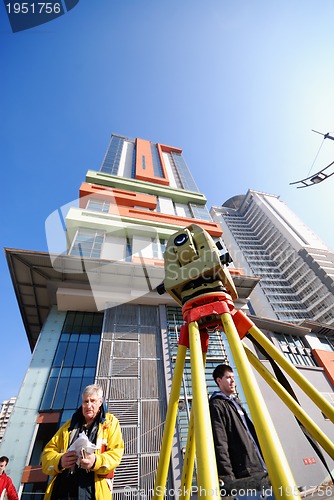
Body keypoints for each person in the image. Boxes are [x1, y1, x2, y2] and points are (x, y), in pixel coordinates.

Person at [42, 384, 124, 500]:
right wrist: (60, 461)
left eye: (93, 401)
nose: (88, 405)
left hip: (92, 491)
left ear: (100, 402)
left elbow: (116, 453)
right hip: (63, 491)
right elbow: (47, 453)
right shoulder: (68, 427)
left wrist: (95, 461)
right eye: (85, 401)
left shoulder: (110, 423)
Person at [209, 364, 271, 496]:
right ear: (219, 381)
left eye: (233, 377)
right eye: (228, 377)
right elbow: (220, 442)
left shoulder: (236, 403)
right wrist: (227, 478)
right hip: (245, 473)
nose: (232, 381)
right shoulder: (217, 405)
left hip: (260, 467)